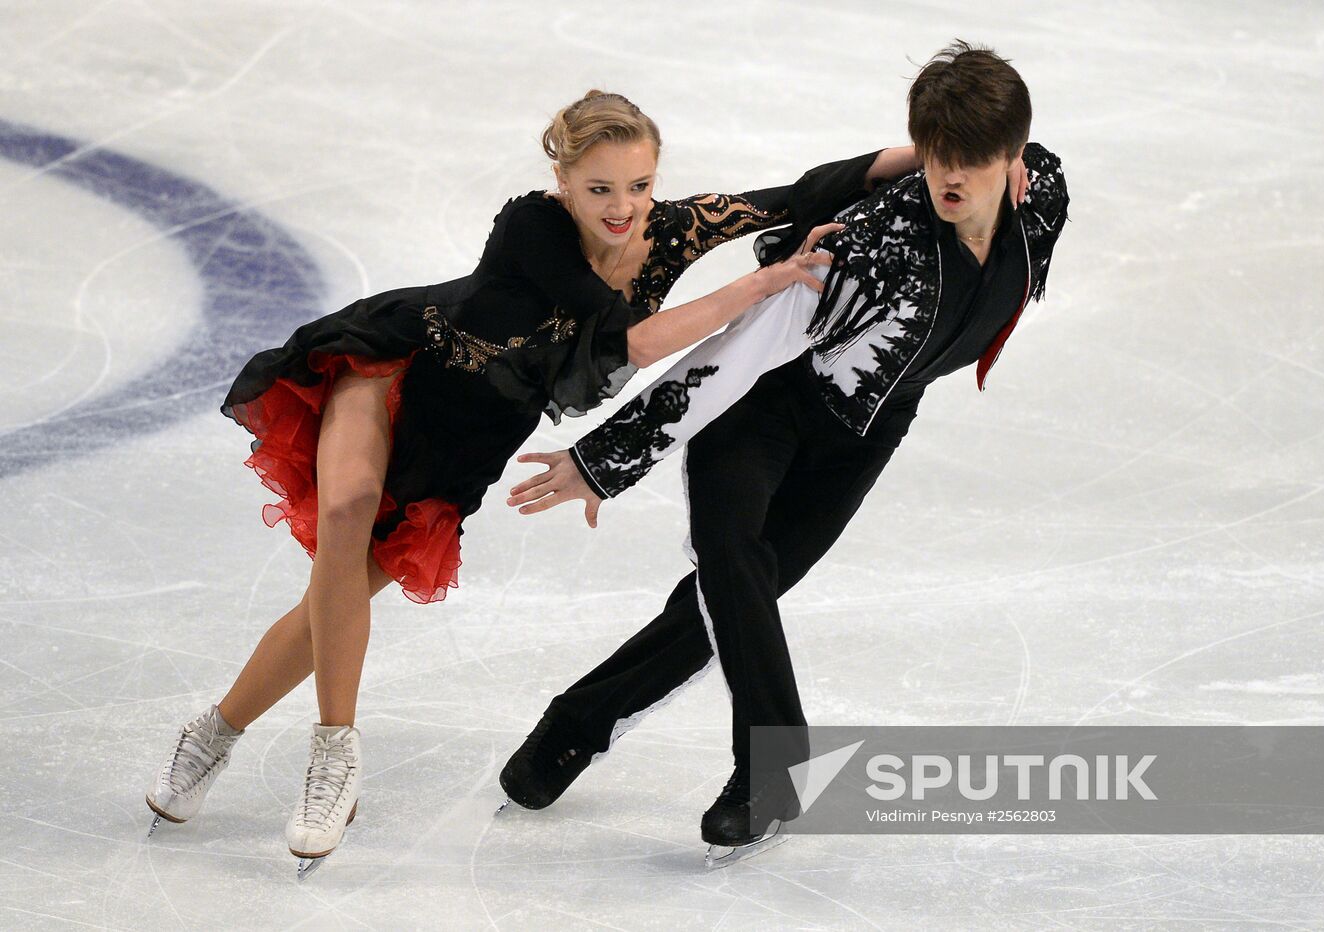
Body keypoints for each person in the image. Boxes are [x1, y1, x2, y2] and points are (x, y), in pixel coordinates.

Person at [141, 89, 918, 877]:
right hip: (398, 369)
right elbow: (627, 340)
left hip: (463, 453)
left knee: (333, 601)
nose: (622, 208)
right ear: (563, 179)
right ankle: (334, 758)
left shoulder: (674, 230)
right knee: (345, 510)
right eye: (600, 188)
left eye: (640, 186)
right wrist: (760, 285)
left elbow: (802, 190)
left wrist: (946, 153)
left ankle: (216, 730)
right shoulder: (533, 226)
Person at [498, 41, 1069, 866]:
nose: (952, 180)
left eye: (976, 162)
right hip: (761, 406)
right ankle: (773, 770)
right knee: (733, 564)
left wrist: (1007, 167)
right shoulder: (874, 244)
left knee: (737, 599)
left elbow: (1024, 185)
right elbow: (741, 351)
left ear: (1012, 157)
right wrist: (605, 459)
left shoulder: (1039, 189)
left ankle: (576, 724)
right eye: (940, 157)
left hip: (867, 426)